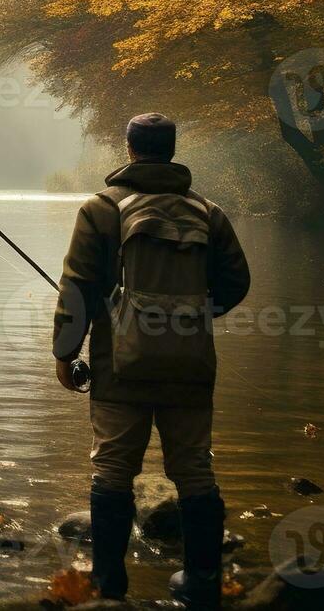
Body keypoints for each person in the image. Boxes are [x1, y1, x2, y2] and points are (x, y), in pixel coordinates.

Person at [51, 113, 250, 608]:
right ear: (173, 148)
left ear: (130, 149)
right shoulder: (209, 213)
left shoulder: (101, 209)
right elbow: (236, 284)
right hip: (190, 363)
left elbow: (77, 288)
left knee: (114, 471)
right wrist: (190, 317)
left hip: (120, 366)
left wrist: (64, 353)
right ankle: (202, 586)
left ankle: (109, 588)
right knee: (195, 471)